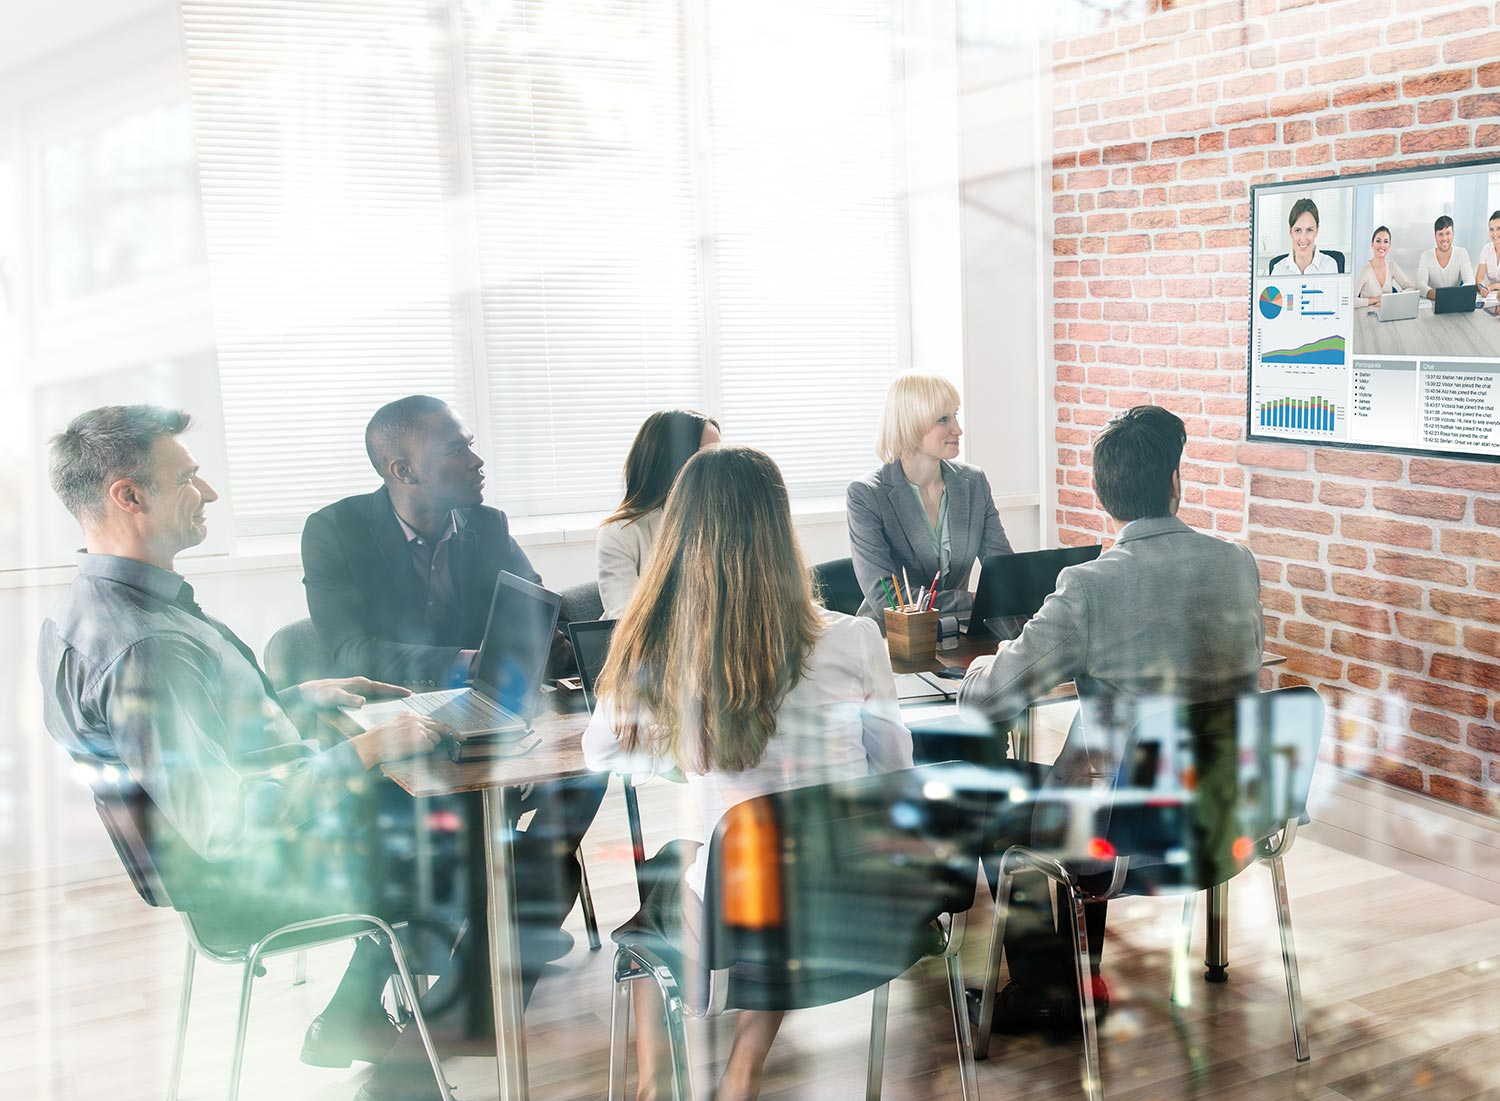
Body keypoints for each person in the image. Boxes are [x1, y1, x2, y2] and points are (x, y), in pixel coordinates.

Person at [35, 405, 515, 1101]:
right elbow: (227, 823)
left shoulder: (87, 611)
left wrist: (294, 700)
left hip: (221, 863)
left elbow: (181, 751)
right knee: (490, 847)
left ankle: (366, 1012)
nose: (209, 494)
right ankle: (421, 1062)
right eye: (188, 478)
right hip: (248, 882)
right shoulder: (148, 647)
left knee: (461, 828)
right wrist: (373, 746)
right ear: (127, 496)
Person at [584, 445, 913, 1101]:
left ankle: (655, 1083)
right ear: (780, 527)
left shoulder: (659, 649)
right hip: (863, 915)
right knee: (776, 861)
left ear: (680, 537)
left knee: (684, 866)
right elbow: (895, 776)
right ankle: (743, 1070)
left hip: (739, 925)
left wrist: (684, 751)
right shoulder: (854, 639)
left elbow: (602, 753)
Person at [957, 405, 1264, 1033]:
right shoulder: (1237, 564)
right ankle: (1080, 970)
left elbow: (990, 702)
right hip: (1222, 816)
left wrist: (973, 673)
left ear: (1102, 495)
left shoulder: (1090, 587)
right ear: (1176, 481)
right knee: (1093, 778)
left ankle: (1051, 993)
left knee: (999, 795)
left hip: (1124, 835)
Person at [301, 393, 607, 963]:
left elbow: (539, 604)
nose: (476, 459)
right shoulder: (335, 532)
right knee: (462, 810)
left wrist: (552, 644)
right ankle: (501, 931)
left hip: (486, 716)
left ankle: (510, 924)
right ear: (404, 470)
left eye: (472, 444)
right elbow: (351, 649)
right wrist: (467, 661)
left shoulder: (486, 525)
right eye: (457, 448)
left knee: (591, 770)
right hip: (390, 728)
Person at [846, 372, 1013, 619]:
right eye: (943, 419)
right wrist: (971, 601)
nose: (958, 429)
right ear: (910, 424)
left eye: (955, 415)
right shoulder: (867, 495)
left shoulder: (973, 483)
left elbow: (1003, 569)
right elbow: (886, 597)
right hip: (892, 639)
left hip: (957, 633)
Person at [597, 408, 720, 618]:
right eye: (708, 456)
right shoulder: (620, 533)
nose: (720, 467)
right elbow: (627, 624)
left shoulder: (722, 521)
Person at [1269, 197, 1340, 275]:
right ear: (1290, 231)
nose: (1303, 239)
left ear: (1317, 230)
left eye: (1309, 230)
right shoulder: (1279, 270)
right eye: (1298, 230)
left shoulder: (1329, 266)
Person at [1353, 225, 1415, 307]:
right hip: (1368, 315)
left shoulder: (1392, 266)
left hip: (1387, 313)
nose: (1382, 245)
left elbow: (1411, 287)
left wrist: (1394, 298)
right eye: (1378, 241)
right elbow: (1351, 301)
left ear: (1389, 245)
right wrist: (1377, 299)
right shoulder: (1366, 270)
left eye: (1386, 241)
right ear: (1372, 244)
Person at [1417, 214, 1475, 299]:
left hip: (1455, 300)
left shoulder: (1461, 253)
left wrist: (1456, 294)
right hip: (1434, 301)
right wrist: (1439, 296)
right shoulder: (1426, 256)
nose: (1444, 238)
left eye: (1448, 233)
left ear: (1453, 234)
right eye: (1440, 234)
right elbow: (1420, 284)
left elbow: (1470, 281)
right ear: (1435, 236)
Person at [1476, 210, 1500, 297]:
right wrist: (1482, 287)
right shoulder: (1486, 249)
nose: (1495, 233)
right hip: (1494, 296)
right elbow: (1479, 278)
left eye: (1498, 229)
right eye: (1491, 229)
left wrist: (1492, 286)